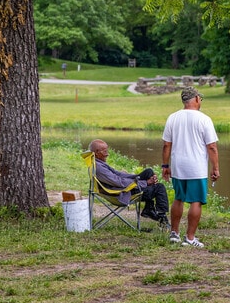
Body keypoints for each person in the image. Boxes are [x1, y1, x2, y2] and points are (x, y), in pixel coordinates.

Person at [162, 87, 220, 248]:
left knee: (178, 198)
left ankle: (174, 233)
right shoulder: (204, 119)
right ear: (195, 99)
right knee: (196, 201)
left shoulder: (172, 118)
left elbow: (167, 145)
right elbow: (212, 147)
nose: (200, 101)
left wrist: (165, 165)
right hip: (196, 168)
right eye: (200, 98)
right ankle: (190, 237)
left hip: (178, 166)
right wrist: (215, 168)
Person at [88, 139, 169, 226]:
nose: (107, 154)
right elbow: (119, 182)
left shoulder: (98, 163)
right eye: (105, 151)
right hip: (122, 192)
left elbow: (117, 174)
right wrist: (145, 183)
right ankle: (162, 218)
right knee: (159, 187)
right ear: (96, 152)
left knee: (148, 172)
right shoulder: (99, 168)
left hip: (122, 188)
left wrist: (135, 177)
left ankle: (149, 208)